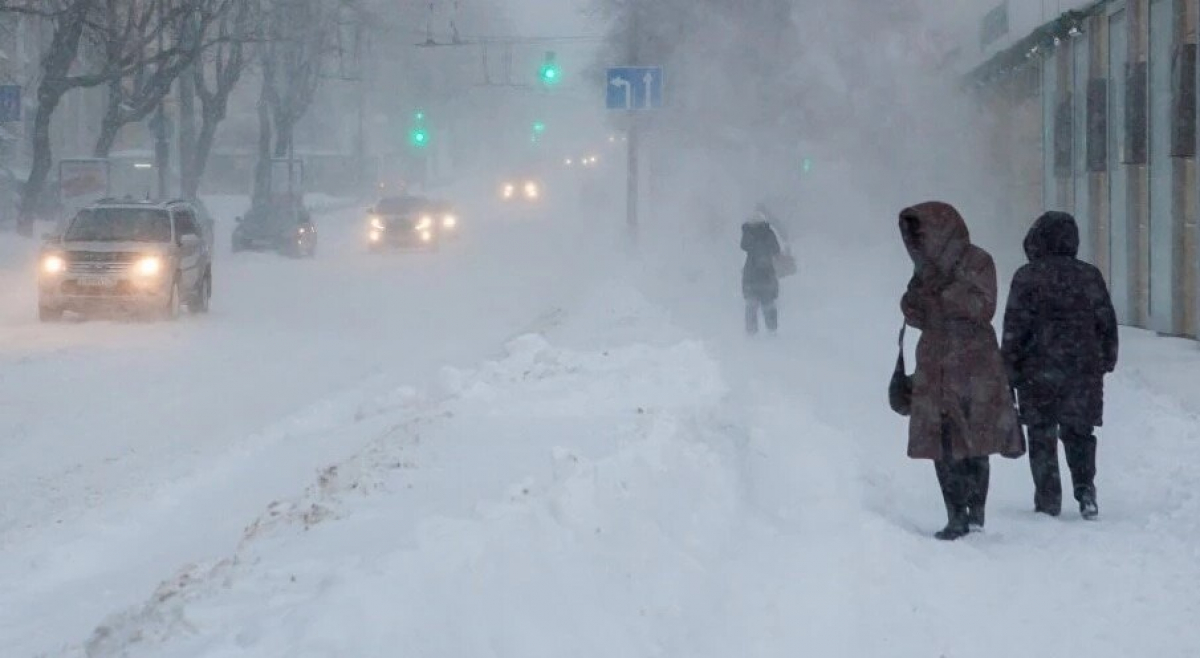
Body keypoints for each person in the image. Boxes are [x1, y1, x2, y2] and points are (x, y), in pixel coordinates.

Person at [899, 201, 1024, 540]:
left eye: (923, 232)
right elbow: (912, 311)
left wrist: (938, 298)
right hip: (937, 362)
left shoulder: (978, 260)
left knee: (976, 438)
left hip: (973, 362)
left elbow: (983, 305)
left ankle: (975, 511)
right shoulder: (925, 269)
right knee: (943, 442)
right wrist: (917, 303)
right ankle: (956, 515)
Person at [1001, 211, 1118, 521]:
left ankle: (1048, 498)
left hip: (1037, 371)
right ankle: (1086, 489)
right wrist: (1107, 357)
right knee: (1079, 431)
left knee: (1041, 433)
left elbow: (1014, 327)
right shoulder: (1089, 275)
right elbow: (1105, 320)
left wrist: (1008, 370)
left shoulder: (1026, 277)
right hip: (1082, 368)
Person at [741, 211, 782, 334]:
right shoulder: (769, 233)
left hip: (751, 276)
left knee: (751, 306)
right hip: (767, 275)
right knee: (769, 304)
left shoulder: (748, 234)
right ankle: (772, 330)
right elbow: (776, 249)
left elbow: (743, 246)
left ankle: (751, 333)